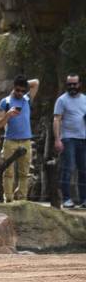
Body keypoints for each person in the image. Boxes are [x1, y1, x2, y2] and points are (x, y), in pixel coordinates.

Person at [0, 75, 40, 202]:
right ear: (13, 88)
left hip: (26, 140)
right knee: (8, 172)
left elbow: (36, 82)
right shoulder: (5, 102)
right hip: (10, 140)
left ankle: (22, 199)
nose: (20, 93)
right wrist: (8, 115)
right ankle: (9, 199)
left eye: (23, 90)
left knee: (24, 173)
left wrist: (25, 84)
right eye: (17, 90)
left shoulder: (27, 99)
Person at [53, 74, 86, 208]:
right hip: (68, 138)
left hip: (83, 138)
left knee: (84, 170)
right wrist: (57, 139)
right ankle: (66, 199)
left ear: (79, 84)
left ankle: (84, 199)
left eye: (74, 84)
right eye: (69, 84)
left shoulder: (84, 99)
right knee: (68, 168)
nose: (72, 86)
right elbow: (57, 119)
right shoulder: (62, 100)